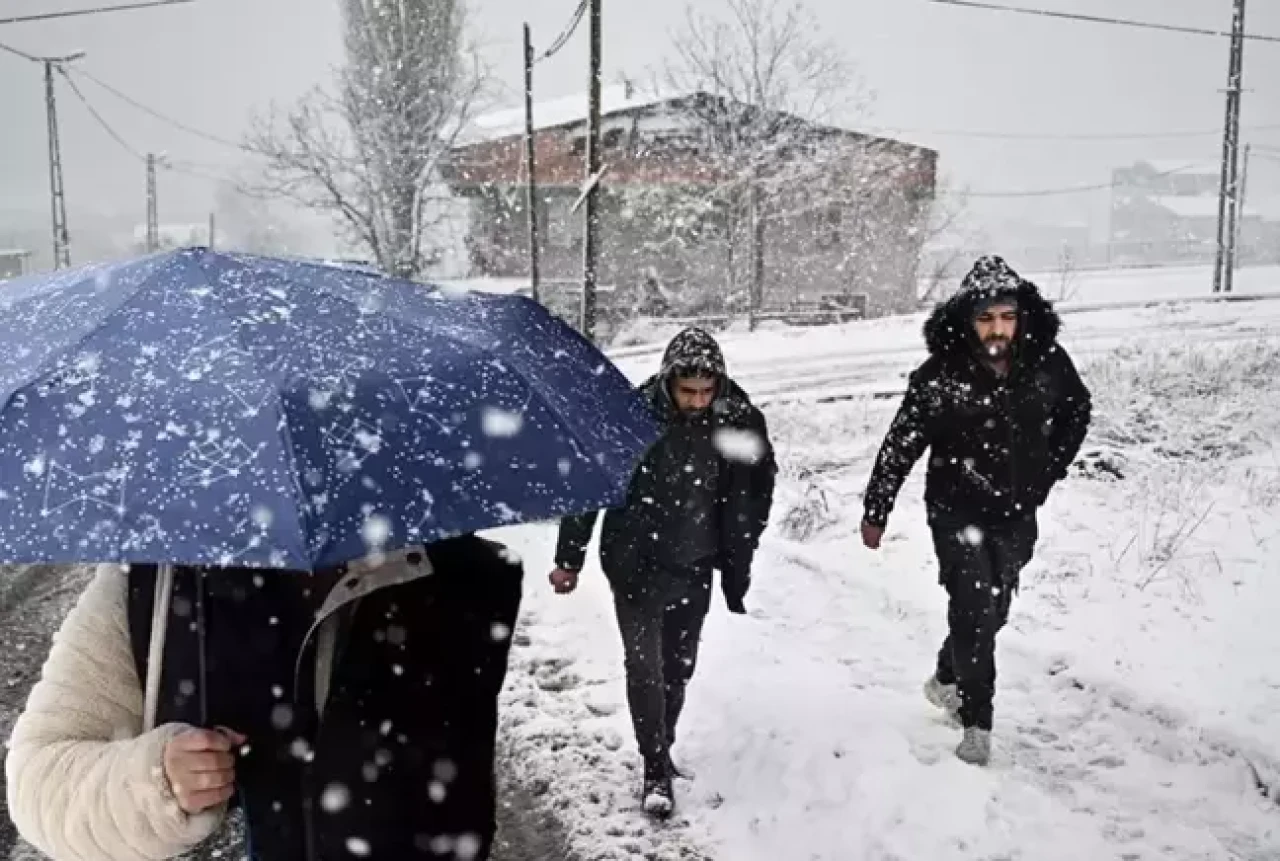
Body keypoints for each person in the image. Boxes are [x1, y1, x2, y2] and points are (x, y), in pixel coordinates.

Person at [5, 535, 523, 861]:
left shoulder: (464, 576)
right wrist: (157, 779)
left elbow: (464, 782)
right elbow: (39, 777)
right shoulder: (156, 579)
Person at [860, 256, 1091, 766]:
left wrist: (1048, 471)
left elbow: (1077, 412)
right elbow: (901, 443)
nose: (997, 329)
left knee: (995, 608)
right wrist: (877, 508)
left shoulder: (1047, 361)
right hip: (954, 508)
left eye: (1007, 317)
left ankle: (947, 676)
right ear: (967, 320)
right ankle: (976, 723)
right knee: (973, 609)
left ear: (1021, 317)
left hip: (1016, 510)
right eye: (986, 318)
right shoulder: (940, 374)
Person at [548, 327, 776, 819]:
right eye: (687, 390)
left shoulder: (736, 419)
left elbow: (755, 491)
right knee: (645, 668)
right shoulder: (628, 417)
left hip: (695, 563)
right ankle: (654, 767)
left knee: (679, 666)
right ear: (669, 380)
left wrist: (740, 549)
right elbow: (590, 486)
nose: (697, 401)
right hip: (635, 563)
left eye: (706, 391)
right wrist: (569, 558)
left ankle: (663, 741)